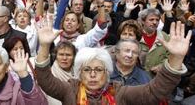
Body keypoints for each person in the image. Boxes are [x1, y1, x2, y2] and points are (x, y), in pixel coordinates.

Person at [35, 19, 190, 104]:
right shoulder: (70, 90)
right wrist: (43, 46)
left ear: (107, 73)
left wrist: (175, 58)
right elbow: (45, 79)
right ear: (80, 73)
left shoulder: (120, 92)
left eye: (99, 69)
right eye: (87, 70)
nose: (93, 75)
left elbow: (153, 92)